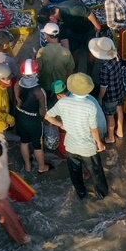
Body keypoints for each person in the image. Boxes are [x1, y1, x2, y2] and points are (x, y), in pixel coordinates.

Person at [46, 72, 108, 200]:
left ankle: (81, 193)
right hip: (88, 148)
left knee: (75, 173)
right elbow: (94, 129)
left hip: (71, 146)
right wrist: (99, 143)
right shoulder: (90, 104)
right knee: (96, 173)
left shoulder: (63, 102)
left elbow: (48, 116)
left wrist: (61, 125)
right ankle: (102, 194)